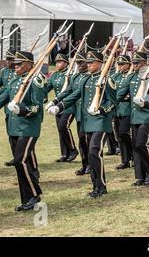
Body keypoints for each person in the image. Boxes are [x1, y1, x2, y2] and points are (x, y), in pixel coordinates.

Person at [0, 51, 44, 210]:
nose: (16, 66)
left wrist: (20, 110)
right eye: (15, 64)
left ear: (29, 64)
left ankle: (34, 195)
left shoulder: (35, 81)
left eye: (19, 64)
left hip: (28, 128)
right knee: (19, 164)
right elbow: (3, 98)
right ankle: (26, 199)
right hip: (14, 128)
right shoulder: (15, 80)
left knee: (20, 160)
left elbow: (37, 107)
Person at [48, 51, 115, 198]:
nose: (88, 65)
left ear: (100, 63)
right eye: (88, 62)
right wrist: (59, 106)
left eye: (92, 62)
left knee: (94, 151)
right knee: (92, 154)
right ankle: (96, 185)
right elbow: (74, 95)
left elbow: (113, 102)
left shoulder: (106, 80)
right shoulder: (85, 79)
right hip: (87, 121)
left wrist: (101, 109)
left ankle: (101, 186)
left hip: (101, 121)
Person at [115, 52, 149, 186]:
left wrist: (144, 103)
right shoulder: (131, 77)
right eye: (133, 63)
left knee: (141, 144)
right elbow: (121, 94)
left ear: (145, 62)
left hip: (147, 116)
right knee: (135, 146)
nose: (134, 65)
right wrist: (107, 103)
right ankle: (140, 176)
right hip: (134, 117)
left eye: (137, 63)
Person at [47, 52, 90, 175]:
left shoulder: (89, 77)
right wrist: (55, 102)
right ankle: (85, 164)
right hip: (79, 113)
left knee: (87, 140)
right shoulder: (76, 77)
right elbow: (69, 92)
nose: (79, 65)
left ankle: (90, 165)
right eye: (78, 62)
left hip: (88, 113)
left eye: (82, 62)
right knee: (81, 139)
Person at [44, 53, 79, 163]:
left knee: (63, 126)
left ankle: (73, 150)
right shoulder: (54, 75)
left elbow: (72, 90)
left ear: (66, 63)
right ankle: (64, 153)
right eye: (56, 62)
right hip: (57, 106)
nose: (57, 64)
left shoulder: (72, 74)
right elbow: (47, 88)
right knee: (60, 129)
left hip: (69, 106)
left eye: (60, 62)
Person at [111, 55, 134, 170]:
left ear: (129, 65)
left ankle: (133, 156)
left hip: (128, 109)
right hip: (117, 109)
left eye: (122, 64)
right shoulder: (115, 77)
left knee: (125, 133)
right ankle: (125, 160)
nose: (120, 66)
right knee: (119, 135)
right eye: (119, 64)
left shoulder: (132, 76)